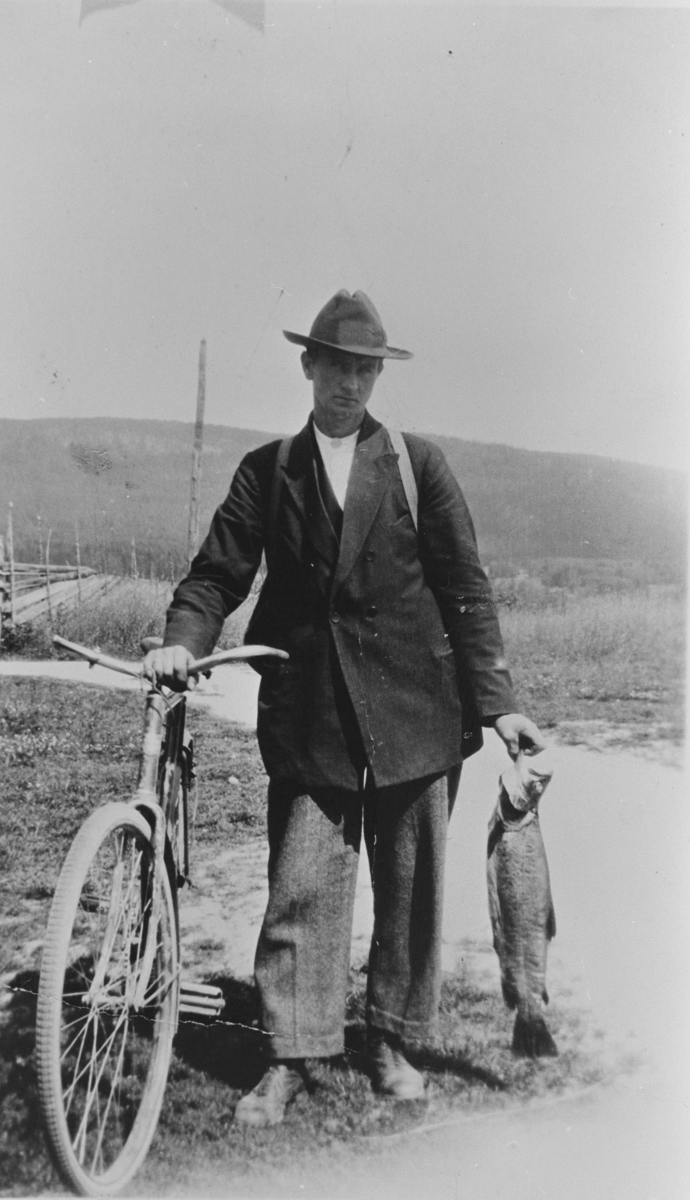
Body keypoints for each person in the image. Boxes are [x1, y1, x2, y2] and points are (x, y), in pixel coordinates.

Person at [144, 289, 545, 1125]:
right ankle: (292, 1055)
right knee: (301, 890)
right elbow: (217, 575)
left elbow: (465, 589)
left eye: (366, 370)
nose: (351, 385)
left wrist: (500, 705)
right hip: (310, 714)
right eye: (338, 367)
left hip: (417, 709)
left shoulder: (415, 464)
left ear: (376, 376)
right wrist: (184, 637)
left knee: (411, 893)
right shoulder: (267, 471)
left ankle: (393, 1041)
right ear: (309, 365)